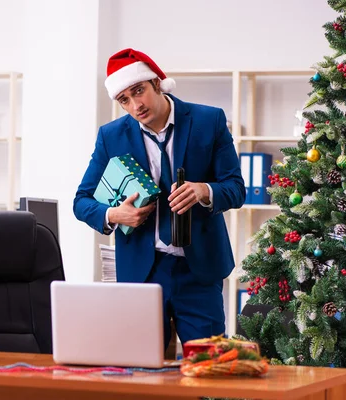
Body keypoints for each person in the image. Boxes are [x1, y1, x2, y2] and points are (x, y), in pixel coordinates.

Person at [73, 48, 245, 350]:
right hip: (141, 274)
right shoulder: (110, 136)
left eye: (139, 91)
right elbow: (82, 201)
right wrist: (114, 215)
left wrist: (205, 191)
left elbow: (235, 188)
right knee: (142, 374)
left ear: (156, 82)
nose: (135, 105)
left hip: (199, 272)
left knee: (205, 370)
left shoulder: (209, 121)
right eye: (124, 99)